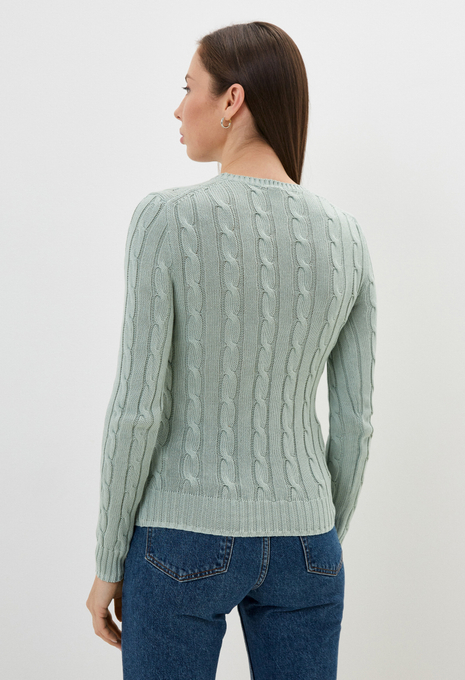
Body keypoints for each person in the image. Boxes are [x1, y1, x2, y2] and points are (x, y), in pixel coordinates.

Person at [86, 20, 377, 680]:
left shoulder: (165, 219)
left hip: (179, 536)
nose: (178, 108)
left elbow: (137, 410)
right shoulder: (347, 237)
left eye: (188, 87)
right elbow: (356, 422)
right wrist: (316, 539)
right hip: (307, 540)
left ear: (232, 100)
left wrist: (107, 562)